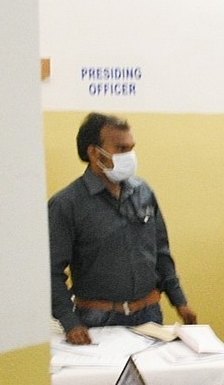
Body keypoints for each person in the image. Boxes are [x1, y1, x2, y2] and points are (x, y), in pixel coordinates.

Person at [48, 113, 197, 345]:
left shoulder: (143, 191)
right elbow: (51, 272)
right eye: (121, 148)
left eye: (131, 148)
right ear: (94, 153)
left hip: (149, 316)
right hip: (97, 319)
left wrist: (180, 301)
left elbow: (161, 252)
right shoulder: (66, 204)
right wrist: (70, 322)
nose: (129, 156)